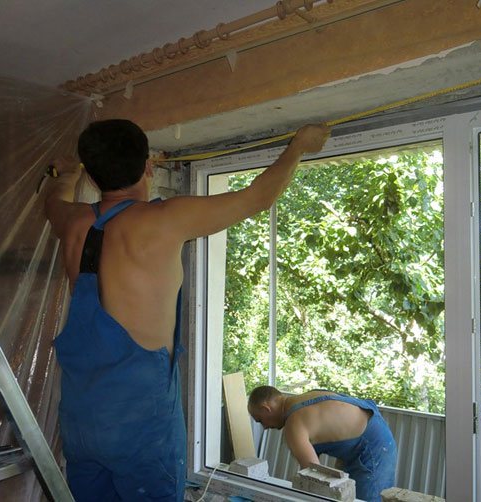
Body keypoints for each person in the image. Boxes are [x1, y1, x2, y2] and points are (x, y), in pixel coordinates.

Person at [44, 119, 330, 501]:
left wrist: (66, 174)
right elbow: (258, 198)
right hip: (140, 428)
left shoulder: (73, 221)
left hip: (82, 421)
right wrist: (299, 146)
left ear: (93, 177)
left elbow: (52, 201)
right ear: (148, 167)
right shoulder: (163, 220)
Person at [248, 386, 397, 502]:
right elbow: (314, 471)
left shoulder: (294, 424)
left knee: (366, 499)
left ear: (266, 408)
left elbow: (316, 480)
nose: (264, 427)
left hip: (374, 446)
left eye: (260, 420)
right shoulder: (302, 399)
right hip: (363, 437)